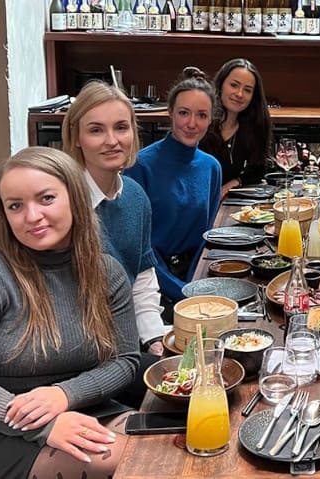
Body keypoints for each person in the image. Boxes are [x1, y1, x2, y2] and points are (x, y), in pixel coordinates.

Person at [0, 147, 140, 478]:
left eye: (46, 198)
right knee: (137, 463)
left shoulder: (107, 272)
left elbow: (125, 361)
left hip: (85, 407)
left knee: (168, 447)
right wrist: (46, 424)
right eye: (15, 206)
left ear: (75, 199)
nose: (31, 216)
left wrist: (65, 394)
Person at [62, 80, 169, 356]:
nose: (112, 141)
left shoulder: (135, 195)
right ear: (75, 137)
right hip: (75, 356)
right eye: (96, 130)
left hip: (126, 345)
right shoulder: (62, 204)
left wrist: (154, 339)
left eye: (121, 127)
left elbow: (142, 279)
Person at [124, 67, 222, 320]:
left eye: (201, 115)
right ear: (170, 113)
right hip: (152, 286)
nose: (192, 124)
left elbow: (206, 236)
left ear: (211, 119)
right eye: (183, 113)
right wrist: (182, 292)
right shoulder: (141, 166)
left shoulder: (211, 167)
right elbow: (137, 247)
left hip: (196, 278)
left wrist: (195, 285)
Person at [199, 58, 273, 198]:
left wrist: (233, 184)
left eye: (247, 90)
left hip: (227, 204)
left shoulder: (252, 128)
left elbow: (258, 169)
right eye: (234, 85)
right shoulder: (201, 122)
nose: (239, 94)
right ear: (221, 85)